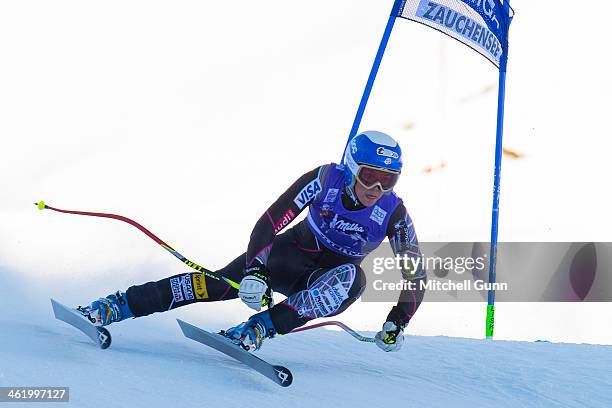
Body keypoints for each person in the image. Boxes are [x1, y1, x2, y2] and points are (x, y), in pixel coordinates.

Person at [81, 130, 427, 352]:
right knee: (215, 285)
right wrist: (256, 271)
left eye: (388, 180)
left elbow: (416, 276)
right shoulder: (324, 180)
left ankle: (257, 329)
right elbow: (270, 222)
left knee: (353, 280)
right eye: (369, 177)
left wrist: (398, 321)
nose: (376, 189)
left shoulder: (393, 212)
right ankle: (116, 305)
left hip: (327, 281)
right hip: (288, 256)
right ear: (351, 168)